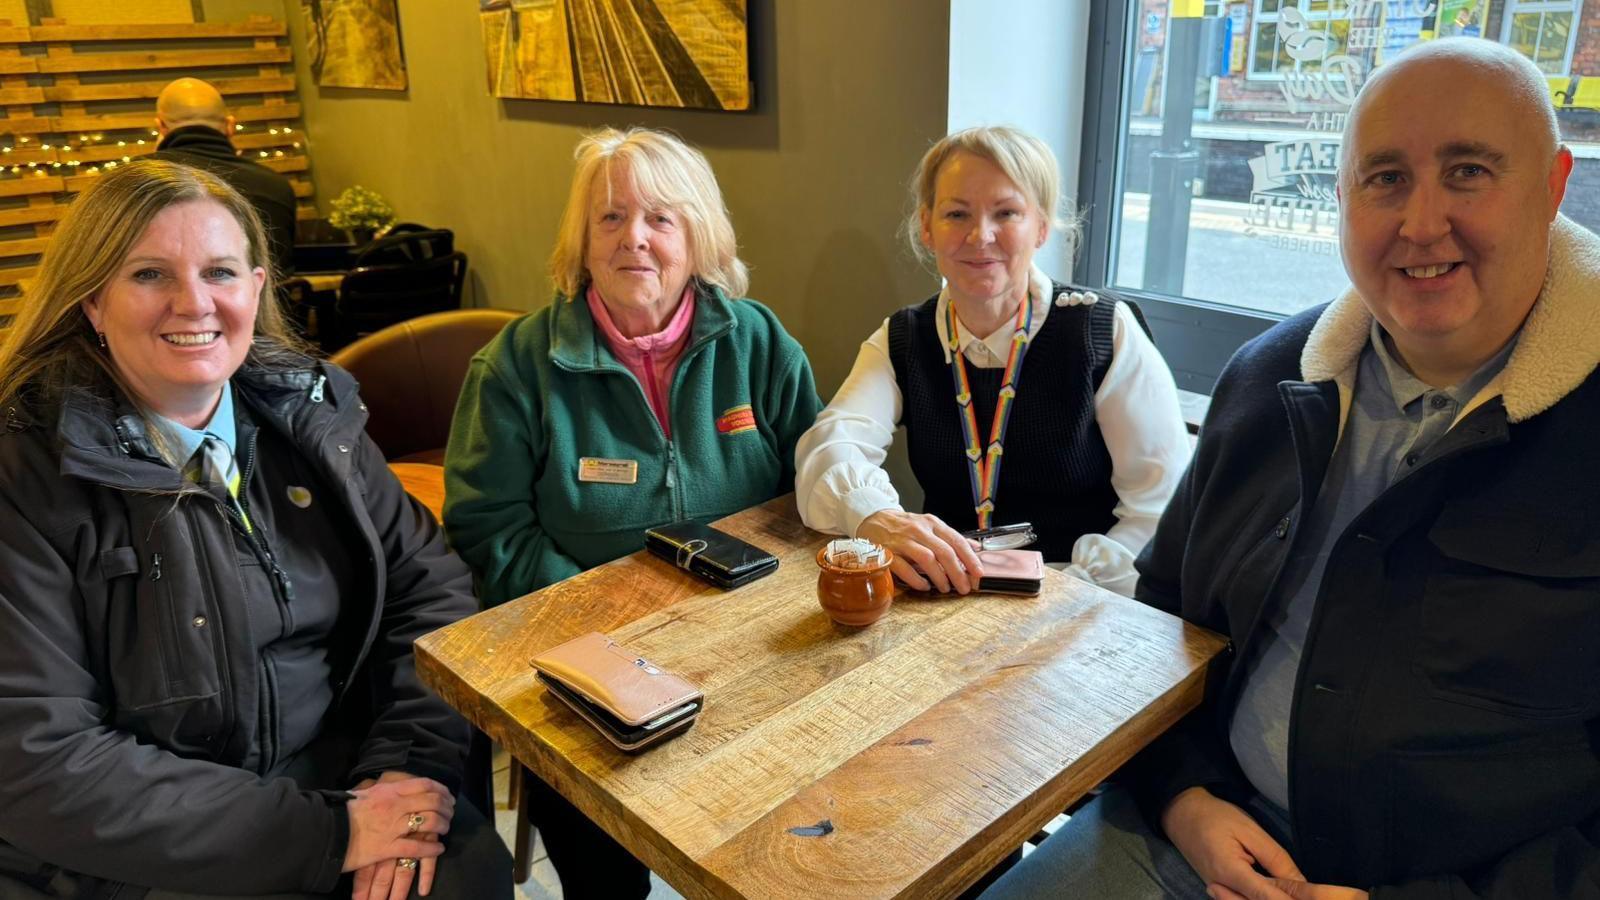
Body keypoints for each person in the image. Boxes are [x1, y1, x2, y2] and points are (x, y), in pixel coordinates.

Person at [981, 38, 1599, 900]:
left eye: (1468, 172)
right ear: (1342, 198)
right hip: (1193, 837)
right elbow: (1158, 624)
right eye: (1385, 178)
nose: (1422, 224)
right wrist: (1182, 796)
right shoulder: (1268, 380)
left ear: (1554, 185)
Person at [0, 159, 511, 900]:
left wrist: (405, 767)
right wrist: (330, 835)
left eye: (220, 272)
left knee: (474, 875)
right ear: (92, 302)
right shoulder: (25, 473)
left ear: (258, 288)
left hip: (335, 776)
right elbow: (38, 757)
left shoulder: (311, 422)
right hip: (136, 849)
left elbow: (429, 592)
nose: (193, 302)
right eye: (148, 275)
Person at [444, 126, 823, 897]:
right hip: (584, 669)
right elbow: (489, 529)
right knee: (604, 881)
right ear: (580, 243)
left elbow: (813, 493)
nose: (634, 240)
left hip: (752, 651)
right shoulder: (516, 367)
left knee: (780, 853)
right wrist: (611, 635)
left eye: (660, 218)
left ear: (698, 235)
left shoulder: (758, 343)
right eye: (609, 219)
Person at [794, 126, 1189, 598]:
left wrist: (1073, 594)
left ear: (1041, 226)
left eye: (1007, 213)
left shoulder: (1101, 331)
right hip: (949, 591)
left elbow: (1158, 508)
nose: (980, 236)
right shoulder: (905, 336)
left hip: (1082, 600)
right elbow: (829, 446)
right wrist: (877, 517)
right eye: (956, 213)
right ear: (926, 227)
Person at [153, 76, 298, 276]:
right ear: (230, 126)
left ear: (160, 126)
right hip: (271, 306)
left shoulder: (136, 181)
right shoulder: (276, 185)